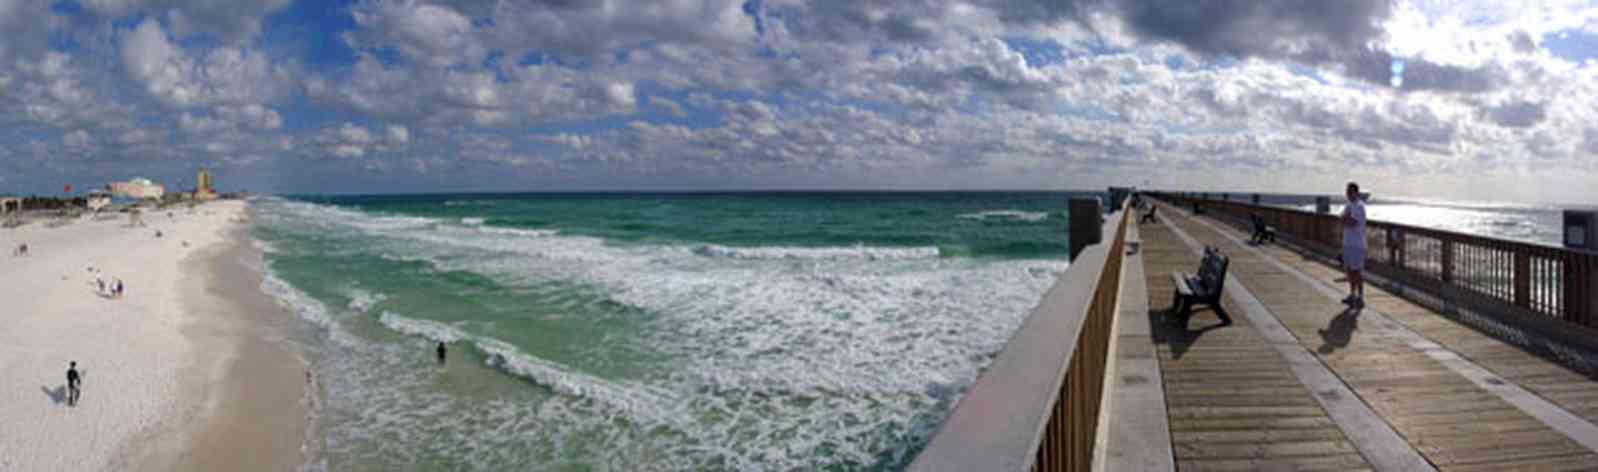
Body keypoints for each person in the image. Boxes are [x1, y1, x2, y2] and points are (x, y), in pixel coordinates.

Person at [1341, 182, 1367, 308]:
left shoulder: (1359, 206)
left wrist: (1345, 219)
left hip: (1357, 244)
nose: (1348, 194)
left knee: (1357, 271)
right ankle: (1352, 295)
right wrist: (1345, 219)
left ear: (1356, 192)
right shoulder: (1349, 206)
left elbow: (1353, 223)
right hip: (1348, 243)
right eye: (1347, 192)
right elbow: (1343, 221)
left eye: (1350, 192)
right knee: (1350, 271)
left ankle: (1361, 297)